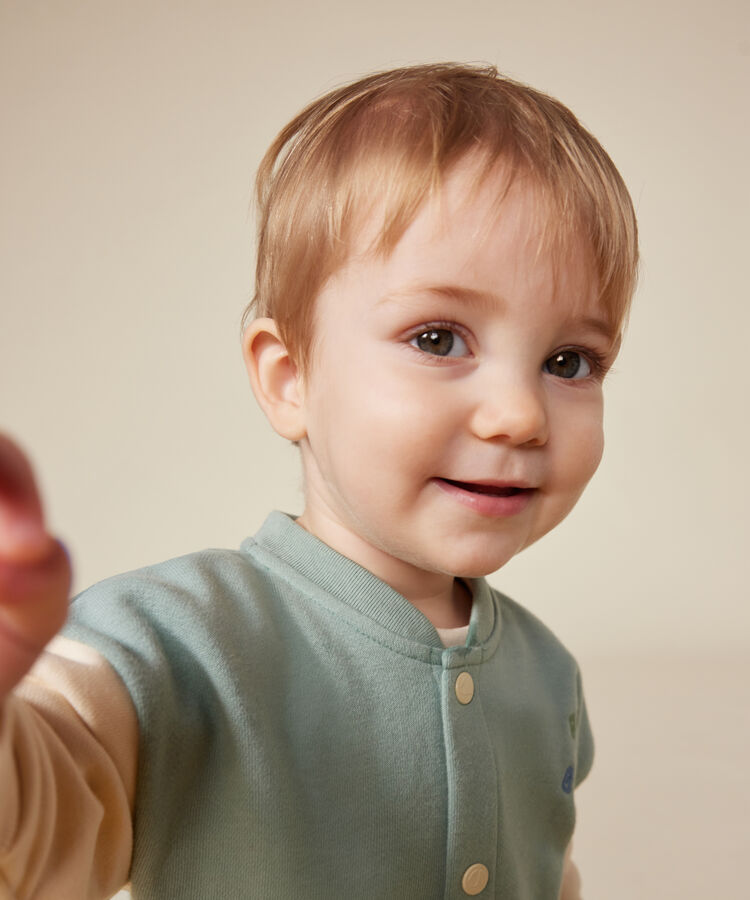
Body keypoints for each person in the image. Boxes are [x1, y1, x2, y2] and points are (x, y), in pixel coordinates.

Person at [0, 63, 638, 899]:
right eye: (438, 339)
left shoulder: (545, 674)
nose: (518, 415)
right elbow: (34, 845)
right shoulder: (172, 646)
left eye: (567, 361)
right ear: (289, 377)